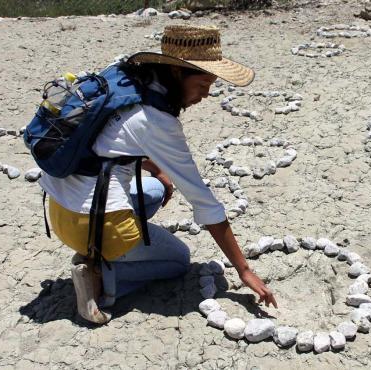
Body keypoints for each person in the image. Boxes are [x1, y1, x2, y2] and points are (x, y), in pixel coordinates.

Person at [39, 25, 277, 324]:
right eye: (203, 83)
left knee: (153, 189)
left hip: (60, 211)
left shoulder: (125, 78)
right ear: (178, 73)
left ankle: (101, 248)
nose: (206, 94)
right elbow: (203, 202)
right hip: (90, 224)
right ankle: (102, 276)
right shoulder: (159, 121)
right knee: (179, 260)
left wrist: (158, 169)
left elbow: (106, 141)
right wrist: (243, 269)